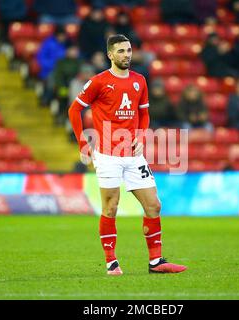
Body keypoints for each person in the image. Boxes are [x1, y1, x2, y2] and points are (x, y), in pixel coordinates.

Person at [68, 34, 187, 275]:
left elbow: (144, 114)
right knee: (111, 207)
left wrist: (142, 137)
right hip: (108, 154)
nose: (127, 55)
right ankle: (111, 262)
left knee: (153, 205)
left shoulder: (140, 81)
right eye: (121, 51)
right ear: (110, 55)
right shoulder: (98, 82)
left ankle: (156, 262)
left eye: (129, 50)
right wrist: (83, 142)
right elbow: (74, 109)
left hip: (133, 155)